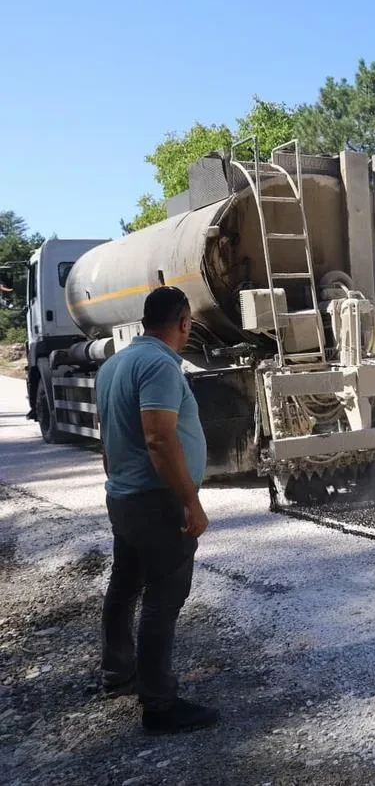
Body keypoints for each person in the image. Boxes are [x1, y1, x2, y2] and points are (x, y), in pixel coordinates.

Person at [96, 286, 218, 733]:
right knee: (163, 599)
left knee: (124, 586)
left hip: (124, 496)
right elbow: (159, 437)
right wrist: (190, 500)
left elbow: (109, 436)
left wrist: (117, 482)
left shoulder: (113, 365)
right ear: (184, 321)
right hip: (156, 502)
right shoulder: (160, 366)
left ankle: (117, 673)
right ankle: (160, 705)